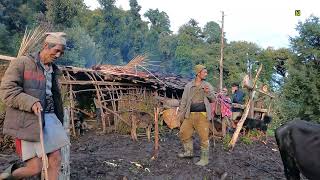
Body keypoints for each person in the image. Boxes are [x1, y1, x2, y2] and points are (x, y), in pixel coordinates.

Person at [0, 32, 70, 180]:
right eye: (56, 50)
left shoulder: (54, 70)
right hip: (28, 120)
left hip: (50, 118)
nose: (58, 55)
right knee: (35, 168)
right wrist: (30, 102)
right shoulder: (22, 63)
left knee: (55, 159)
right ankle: (8, 176)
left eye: (61, 53)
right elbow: (7, 91)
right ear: (45, 46)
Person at [177, 64, 216, 166]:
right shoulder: (189, 86)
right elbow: (184, 100)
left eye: (206, 72)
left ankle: (204, 159)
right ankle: (188, 152)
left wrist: (208, 93)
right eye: (204, 72)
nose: (206, 74)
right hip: (189, 115)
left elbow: (213, 99)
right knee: (183, 132)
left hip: (202, 115)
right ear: (198, 73)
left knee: (204, 136)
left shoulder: (207, 85)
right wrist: (181, 113)